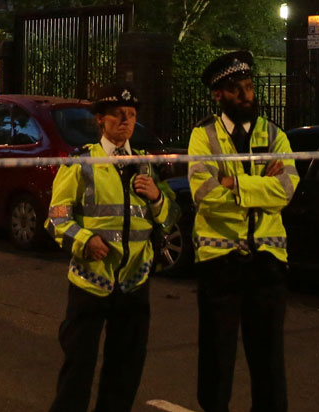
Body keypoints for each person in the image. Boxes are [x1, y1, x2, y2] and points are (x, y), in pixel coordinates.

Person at [45, 85, 177, 412]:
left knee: (126, 370)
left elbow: (171, 216)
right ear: (100, 120)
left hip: (135, 281)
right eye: (118, 115)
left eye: (131, 116)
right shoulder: (81, 162)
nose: (125, 121)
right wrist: (84, 240)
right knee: (78, 367)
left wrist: (157, 198)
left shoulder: (146, 165)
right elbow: (56, 218)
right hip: (91, 281)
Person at [188, 51, 299, 412]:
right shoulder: (202, 137)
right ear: (219, 95)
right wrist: (256, 186)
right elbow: (204, 195)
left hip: (267, 262)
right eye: (237, 90)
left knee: (269, 362)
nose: (247, 96)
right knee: (216, 360)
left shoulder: (275, 135)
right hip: (220, 262)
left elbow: (285, 191)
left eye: (249, 87)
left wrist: (233, 184)